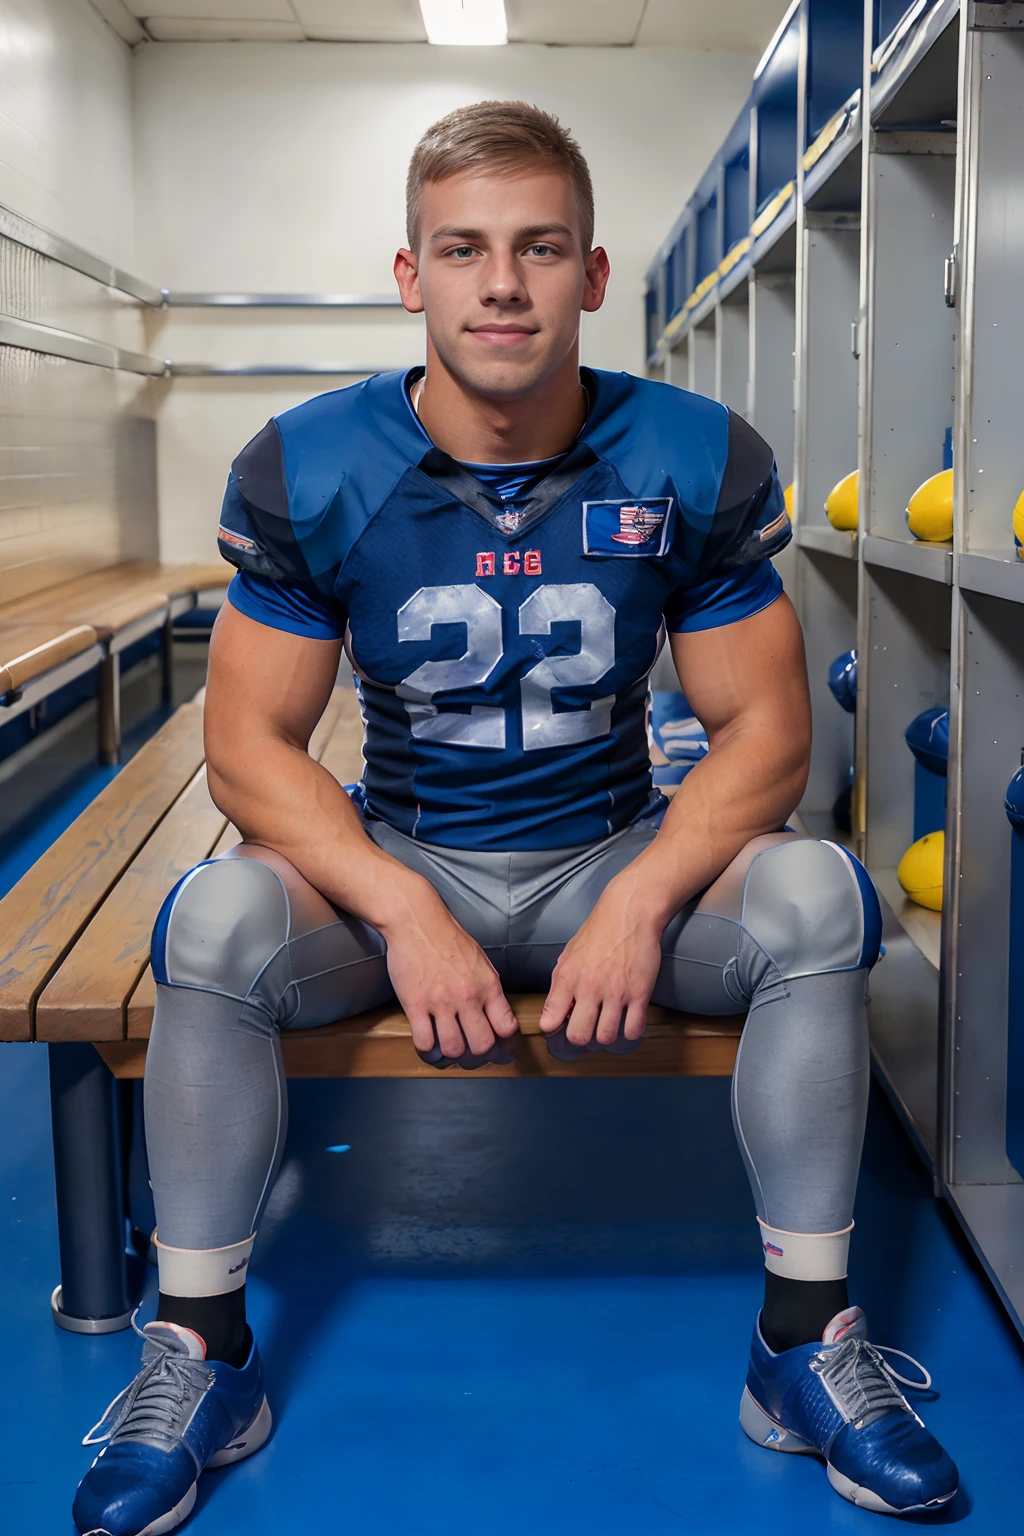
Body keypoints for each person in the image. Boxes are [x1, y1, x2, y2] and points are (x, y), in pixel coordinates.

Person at [73, 101, 957, 1535]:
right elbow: (248, 746)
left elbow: (767, 737)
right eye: (465, 250)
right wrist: (402, 908)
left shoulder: (688, 451)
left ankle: (804, 1342)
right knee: (220, 912)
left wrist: (643, 896)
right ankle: (202, 1354)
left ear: (592, 275)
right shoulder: (312, 463)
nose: (503, 284)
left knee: (819, 899)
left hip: (610, 848)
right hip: (409, 850)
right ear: (411, 275)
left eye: (539, 247)